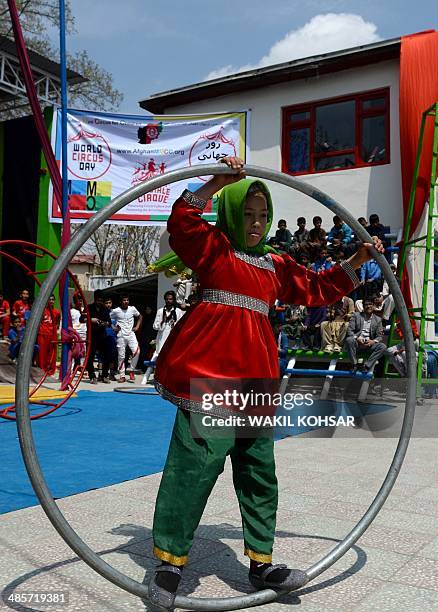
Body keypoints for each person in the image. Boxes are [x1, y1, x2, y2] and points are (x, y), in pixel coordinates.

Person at [146, 157, 384, 608]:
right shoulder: (211, 248)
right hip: (212, 375)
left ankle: (261, 562)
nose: (255, 224)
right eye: (248, 215)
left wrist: (357, 259)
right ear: (233, 214)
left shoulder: (275, 265)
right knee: (194, 469)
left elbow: (318, 289)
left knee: (259, 473)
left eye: (262, 216)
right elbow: (183, 221)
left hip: (255, 380)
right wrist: (218, 182)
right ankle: (169, 562)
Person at [142, 291, 184, 385]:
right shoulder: (161, 311)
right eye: (167, 299)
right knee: (159, 357)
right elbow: (155, 327)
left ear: (173, 300)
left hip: (173, 339)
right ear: (165, 300)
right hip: (161, 338)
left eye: (171, 299)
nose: (169, 301)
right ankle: (157, 377)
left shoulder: (178, 311)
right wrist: (162, 321)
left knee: (171, 359)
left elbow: (181, 326)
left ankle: (170, 379)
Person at [344, 299, 387, 372]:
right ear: (363, 306)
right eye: (366, 305)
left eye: (370, 304)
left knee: (383, 346)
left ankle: (366, 366)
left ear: (373, 306)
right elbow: (350, 331)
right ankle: (354, 364)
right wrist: (357, 338)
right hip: (356, 343)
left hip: (369, 345)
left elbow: (379, 336)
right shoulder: (356, 315)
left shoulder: (378, 319)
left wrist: (373, 341)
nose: (368, 306)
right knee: (349, 340)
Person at [110, 295, 142, 383]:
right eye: (124, 300)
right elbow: (107, 318)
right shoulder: (116, 311)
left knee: (137, 351)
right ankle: (122, 376)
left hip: (131, 334)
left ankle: (131, 369)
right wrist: (113, 327)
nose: (126, 302)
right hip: (121, 335)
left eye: (127, 300)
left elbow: (140, 317)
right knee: (121, 356)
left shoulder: (132, 309)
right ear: (121, 301)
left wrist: (137, 326)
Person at [82, 289, 111, 384]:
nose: (100, 302)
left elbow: (109, 322)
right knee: (90, 356)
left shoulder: (105, 309)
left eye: (101, 300)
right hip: (91, 335)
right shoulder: (89, 307)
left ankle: (104, 375)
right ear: (95, 299)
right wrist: (90, 320)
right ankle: (92, 376)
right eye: (98, 300)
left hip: (102, 335)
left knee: (107, 354)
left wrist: (104, 323)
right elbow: (81, 319)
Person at [37, 294, 60, 376]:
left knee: (51, 354)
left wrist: (55, 332)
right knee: (42, 353)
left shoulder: (57, 312)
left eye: (53, 299)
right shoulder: (42, 311)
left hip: (52, 335)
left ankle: (50, 370)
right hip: (42, 334)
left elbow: (57, 323)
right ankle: (41, 369)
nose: (51, 301)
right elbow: (38, 322)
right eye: (49, 299)